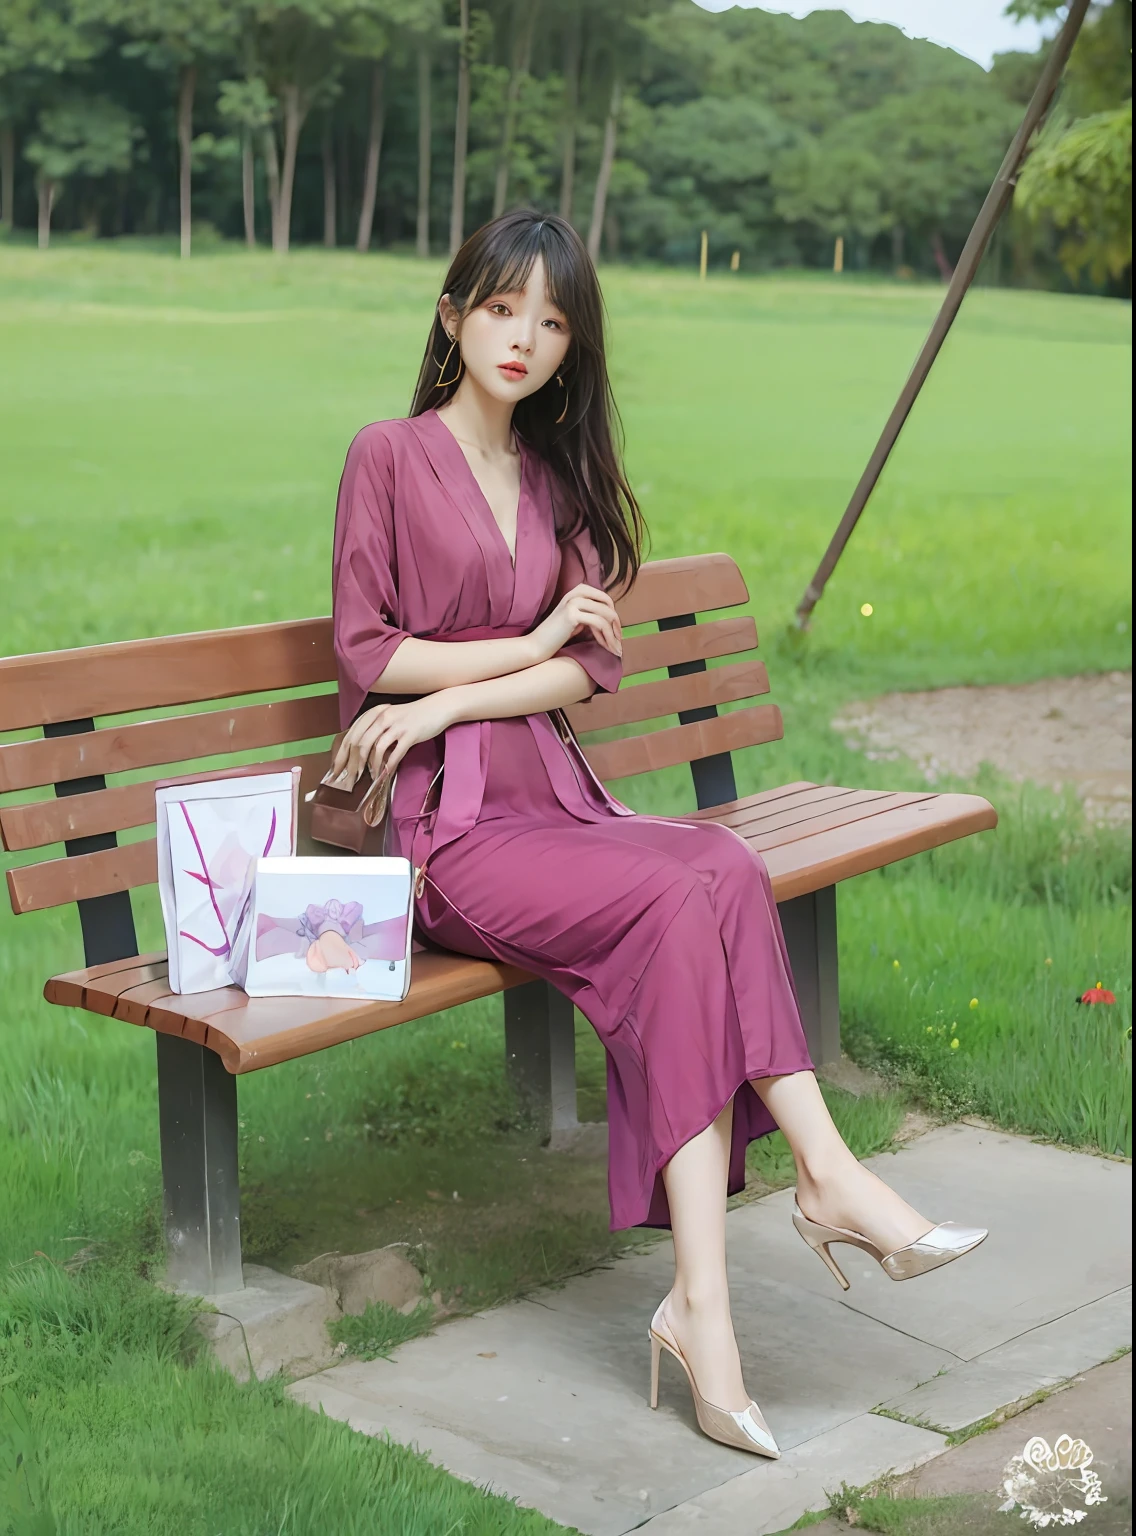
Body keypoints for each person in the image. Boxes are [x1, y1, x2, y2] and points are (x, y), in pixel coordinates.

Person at [327, 209, 986, 1458]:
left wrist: (475, 684)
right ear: (452, 310)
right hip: (450, 833)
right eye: (504, 308)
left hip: (556, 805)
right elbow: (369, 654)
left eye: (554, 320)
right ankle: (821, 1189)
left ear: (572, 345)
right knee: (683, 895)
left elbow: (588, 671)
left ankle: (705, 1302)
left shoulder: (556, 479)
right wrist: (511, 654)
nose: (524, 338)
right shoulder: (386, 456)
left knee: (718, 867)